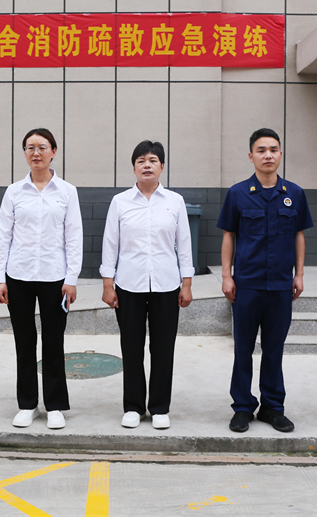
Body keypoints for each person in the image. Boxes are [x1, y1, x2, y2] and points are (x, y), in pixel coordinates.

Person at [217, 128, 312, 434]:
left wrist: (299, 274)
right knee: (243, 349)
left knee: (274, 349)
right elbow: (229, 236)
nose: (268, 155)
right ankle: (243, 407)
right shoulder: (238, 193)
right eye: (261, 150)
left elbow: (299, 235)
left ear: (280, 154)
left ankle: (272, 407)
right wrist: (227, 276)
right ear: (251, 156)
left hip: (280, 286)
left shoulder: (294, 193)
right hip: (247, 285)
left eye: (273, 149)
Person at [100, 141, 194, 430]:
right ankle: (133, 406)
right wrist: (108, 284)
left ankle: (160, 407)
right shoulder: (120, 202)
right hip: (129, 284)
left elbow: (184, 244)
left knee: (163, 348)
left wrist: (187, 283)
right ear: (134, 168)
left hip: (167, 284)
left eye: (153, 160)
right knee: (131, 347)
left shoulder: (175, 201)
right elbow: (110, 244)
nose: (147, 165)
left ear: (162, 167)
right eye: (141, 161)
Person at [0, 128, 83, 430]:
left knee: (54, 341)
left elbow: (74, 238)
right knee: (24, 340)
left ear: (53, 151)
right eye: (30, 147)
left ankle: (54, 405)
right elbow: (3, 237)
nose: (36, 153)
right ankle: (27, 404)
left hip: (55, 277)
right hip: (18, 275)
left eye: (42, 147)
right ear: (24, 153)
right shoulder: (14, 192)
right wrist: (0, 278)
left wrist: (72, 278)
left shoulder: (67, 192)